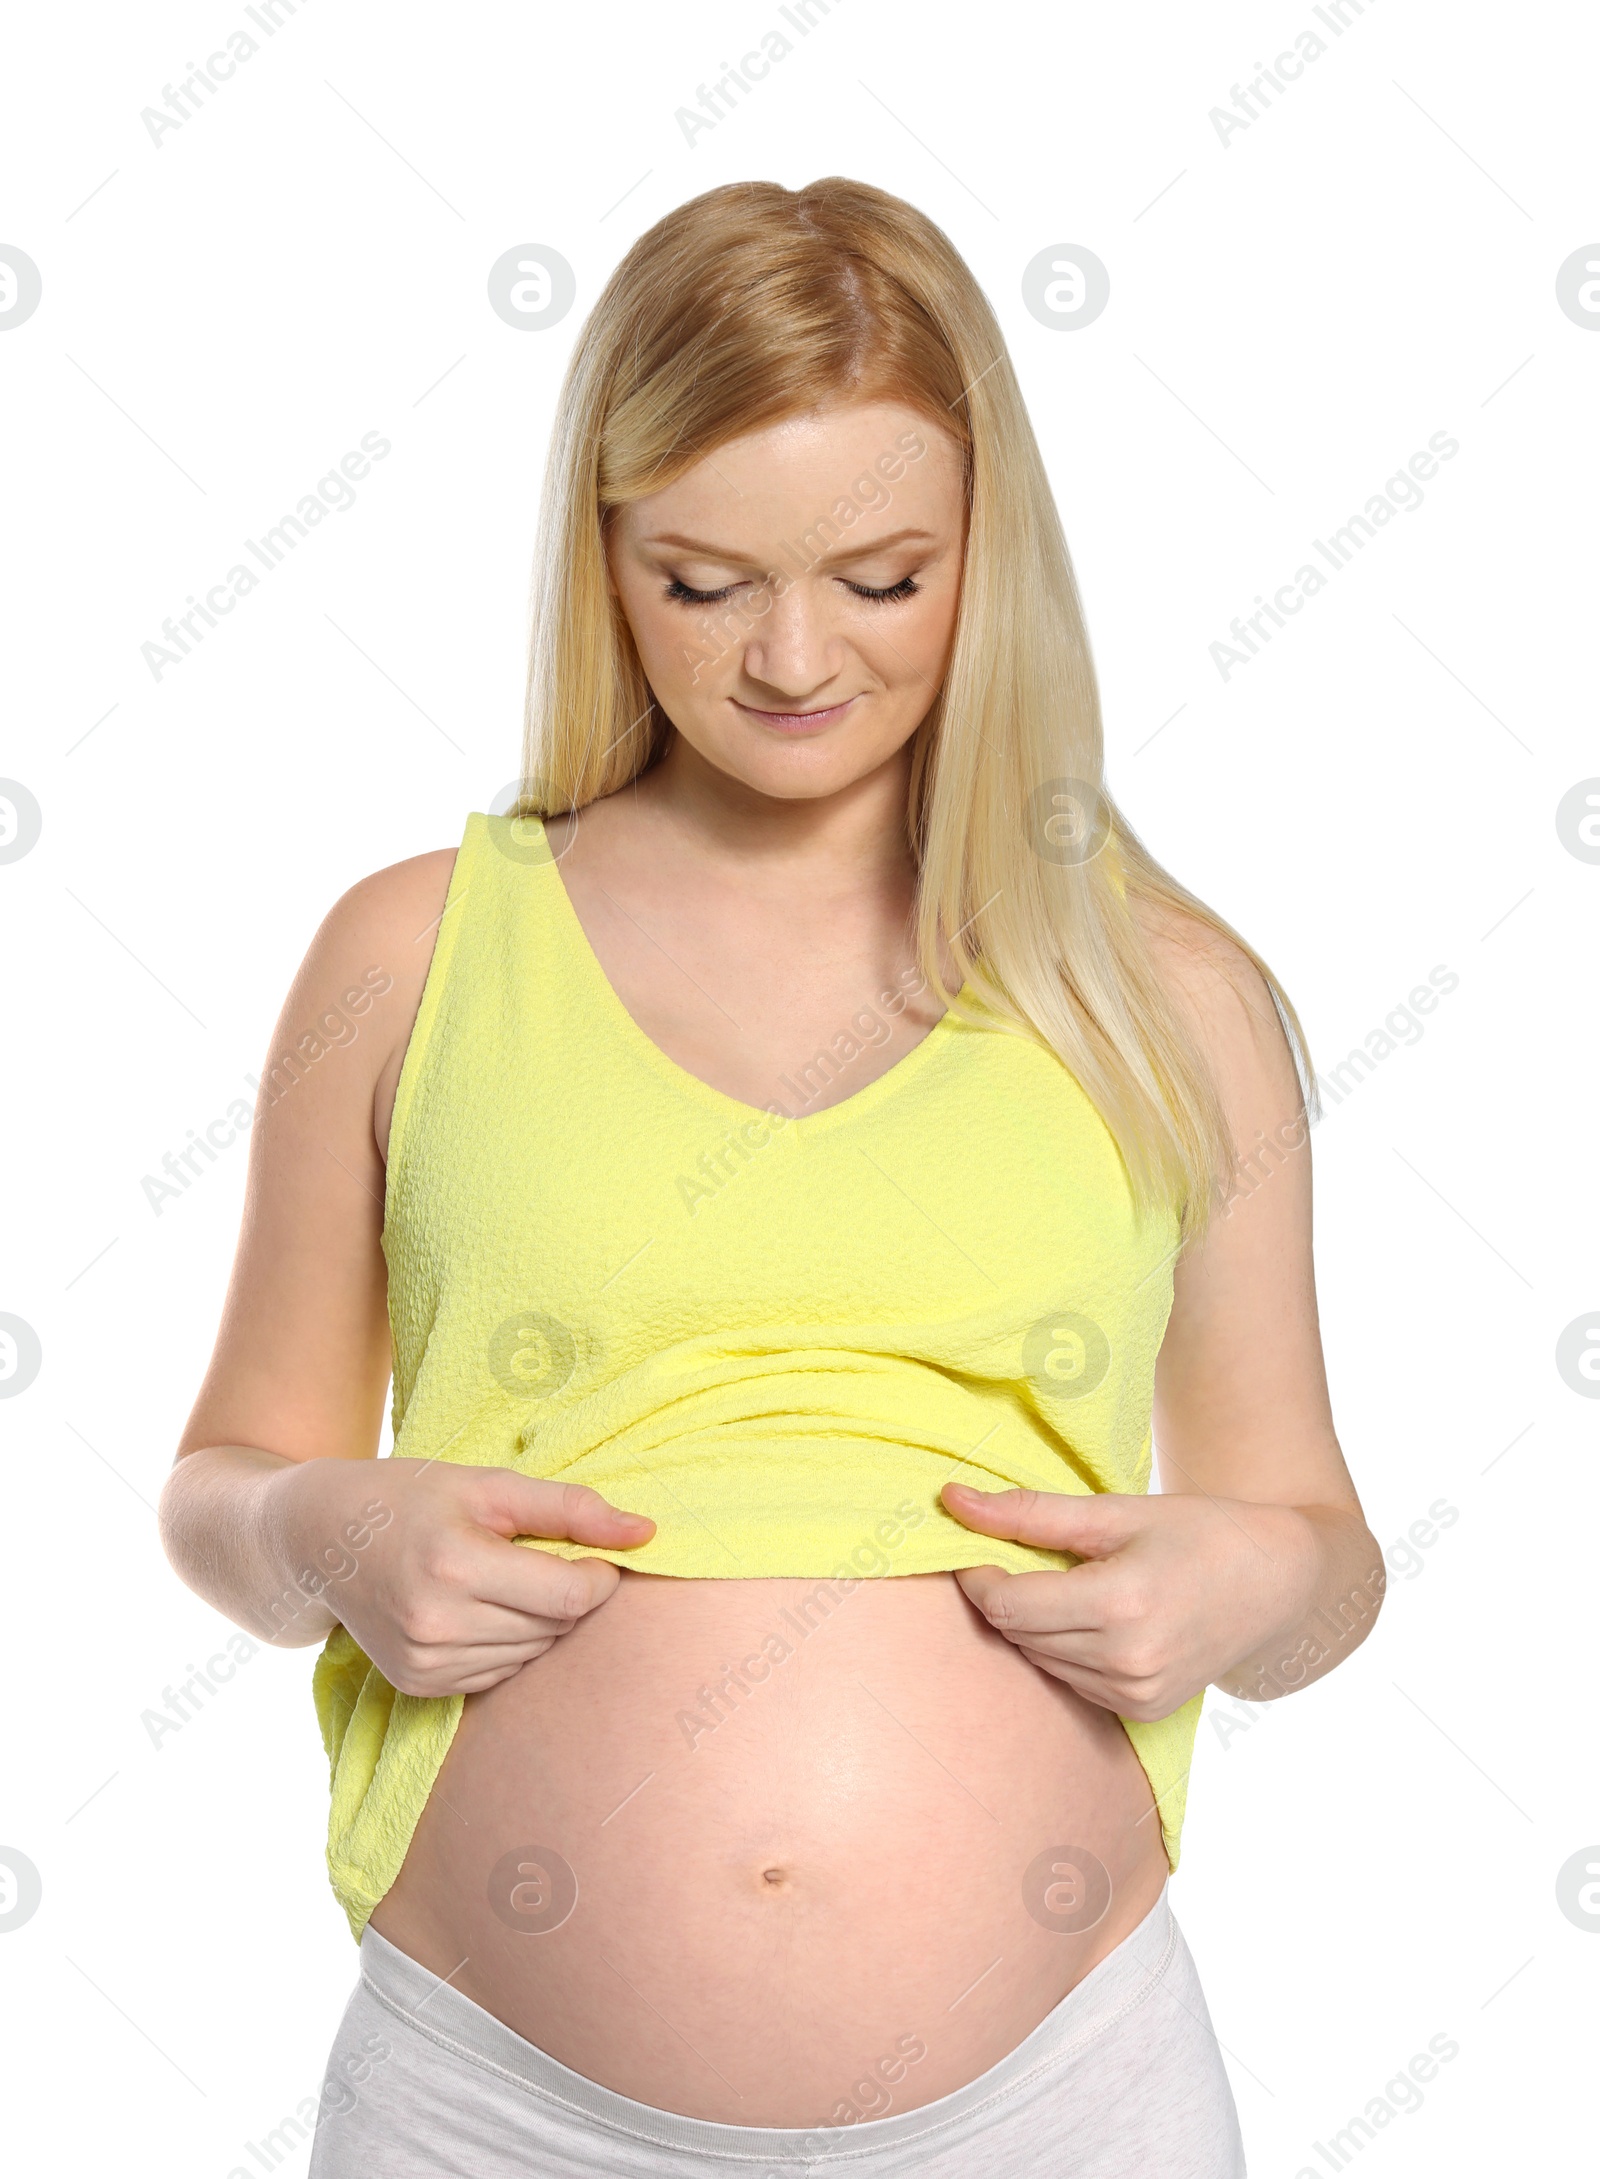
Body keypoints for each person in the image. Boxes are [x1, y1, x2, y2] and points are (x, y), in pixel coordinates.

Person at [158, 177, 1383, 2178]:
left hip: (1056, 2097)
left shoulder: (1164, 993)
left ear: (990, 559)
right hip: (494, 2101)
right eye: (703, 581)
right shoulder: (411, 956)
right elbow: (225, 1495)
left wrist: (1239, 1575)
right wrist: (334, 1530)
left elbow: (1315, 1553)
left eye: (882, 579)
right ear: (604, 555)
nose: (792, 656)